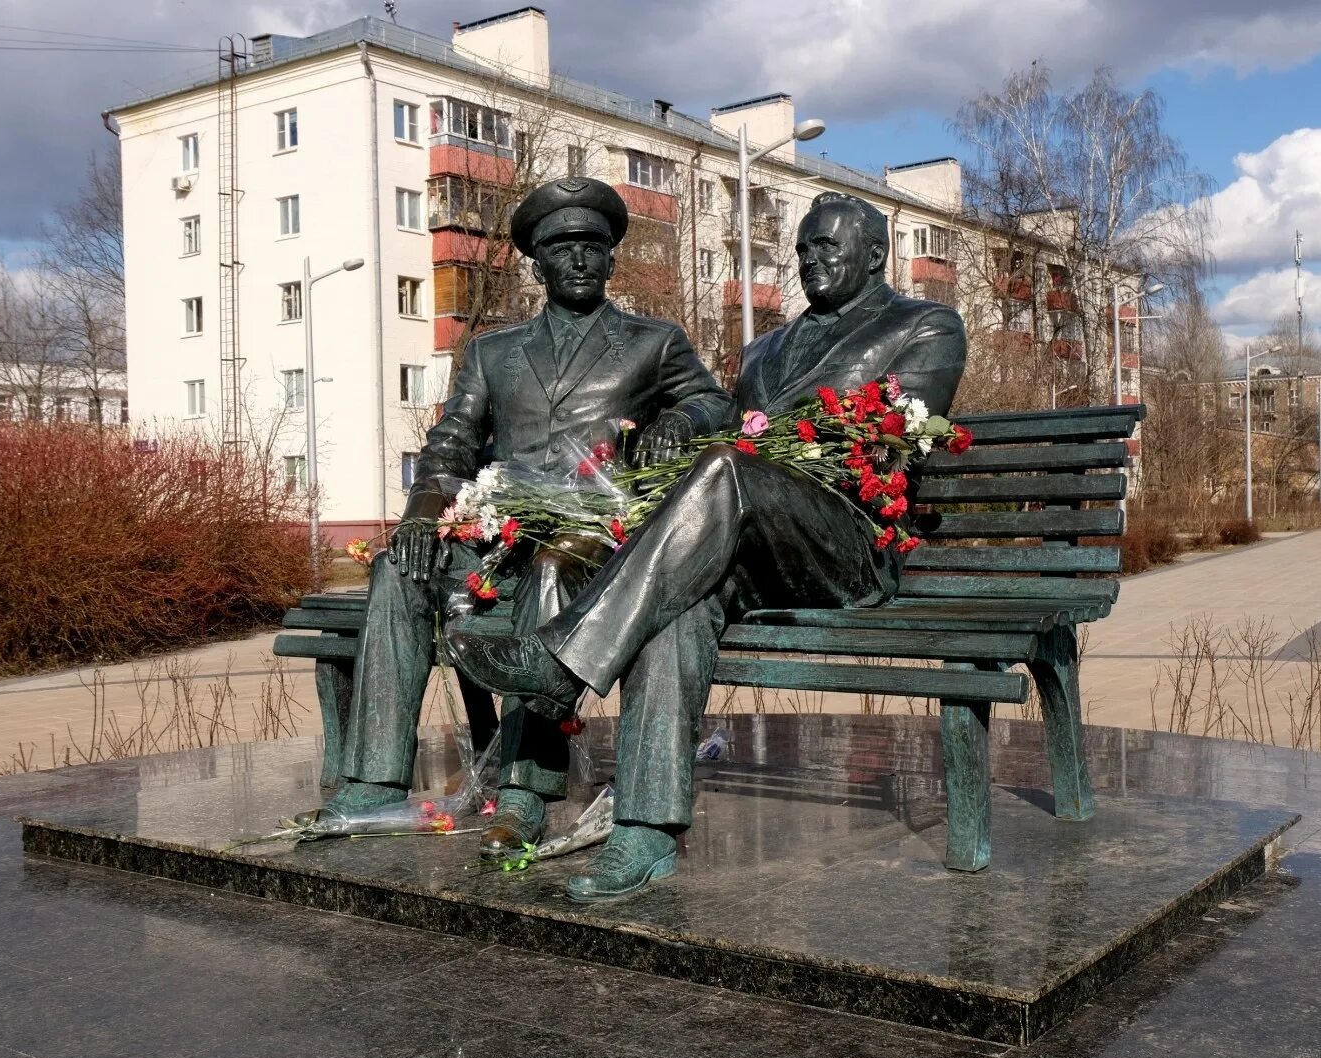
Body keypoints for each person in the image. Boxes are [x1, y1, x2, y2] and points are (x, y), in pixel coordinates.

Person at [449, 191, 968, 900]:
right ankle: (646, 832)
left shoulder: (927, 326)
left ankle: (559, 661)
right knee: (675, 609)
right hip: (748, 550)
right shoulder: (765, 349)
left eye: (829, 247)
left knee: (724, 468)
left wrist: (742, 449)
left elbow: (886, 439)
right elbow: (726, 421)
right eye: (804, 249)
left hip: (842, 542)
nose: (811, 259)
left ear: (875, 256)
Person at [325, 177, 733, 861]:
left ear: (611, 262)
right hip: (497, 529)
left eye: (592, 248)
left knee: (549, 567)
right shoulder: (492, 352)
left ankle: (525, 792)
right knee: (400, 567)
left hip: (598, 540)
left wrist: (681, 419)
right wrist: (424, 513)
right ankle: (372, 779)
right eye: (561, 249)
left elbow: (715, 406)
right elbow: (452, 444)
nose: (577, 260)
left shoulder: (652, 341)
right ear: (537, 266)